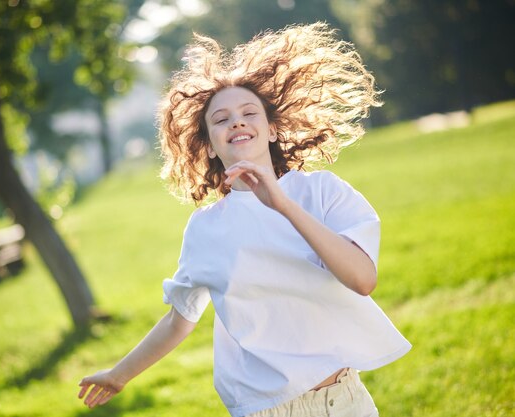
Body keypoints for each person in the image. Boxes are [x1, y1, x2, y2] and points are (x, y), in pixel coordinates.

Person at [77, 23, 411, 417]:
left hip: (342, 400)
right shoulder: (206, 229)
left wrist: (283, 204)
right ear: (211, 145)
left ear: (271, 130)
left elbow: (362, 279)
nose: (235, 122)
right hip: (264, 409)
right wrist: (119, 374)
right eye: (220, 120)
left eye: (248, 113)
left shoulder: (321, 192)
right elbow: (179, 320)